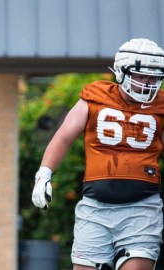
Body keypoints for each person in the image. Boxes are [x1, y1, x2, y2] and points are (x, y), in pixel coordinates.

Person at [32, 38, 164, 270]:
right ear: (122, 72)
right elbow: (64, 136)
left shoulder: (161, 106)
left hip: (142, 209)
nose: (148, 83)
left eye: (154, 76)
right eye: (141, 75)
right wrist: (44, 173)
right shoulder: (95, 97)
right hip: (95, 209)